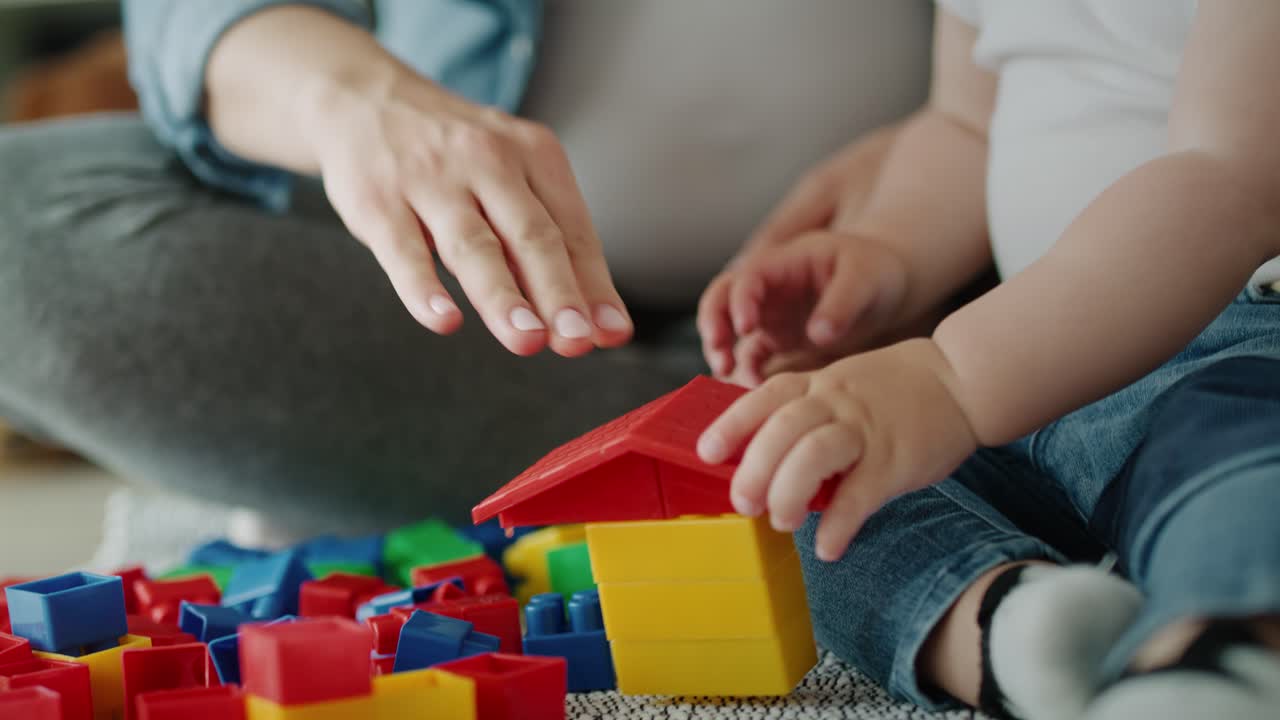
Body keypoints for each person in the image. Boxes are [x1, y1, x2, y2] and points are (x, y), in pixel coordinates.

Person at [0, 1, 930, 535]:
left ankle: (849, 424)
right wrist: (352, 103)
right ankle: (781, 450)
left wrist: (939, 184)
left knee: (1054, 295)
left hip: (911, 279)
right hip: (447, 297)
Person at [696, 1, 1280, 718]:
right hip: (1035, 370)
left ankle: (1226, 649)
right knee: (817, 489)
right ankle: (1020, 629)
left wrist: (955, 379)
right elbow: (966, 128)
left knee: (1238, 465)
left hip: (1240, 335)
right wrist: (888, 252)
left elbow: (1232, 180)